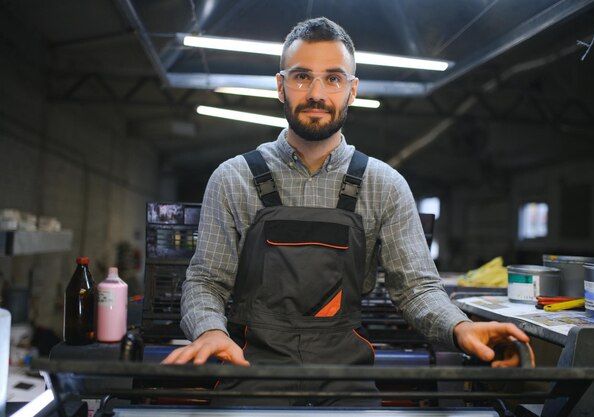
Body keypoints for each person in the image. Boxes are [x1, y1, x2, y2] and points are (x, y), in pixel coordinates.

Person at [163, 17, 532, 404]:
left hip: (345, 383)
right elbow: (206, 280)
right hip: (249, 373)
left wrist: (459, 328)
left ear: (352, 90)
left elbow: (417, 289)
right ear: (280, 86)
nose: (316, 93)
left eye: (334, 78)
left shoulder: (384, 185)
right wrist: (210, 332)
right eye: (302, 76)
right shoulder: (233, 178)